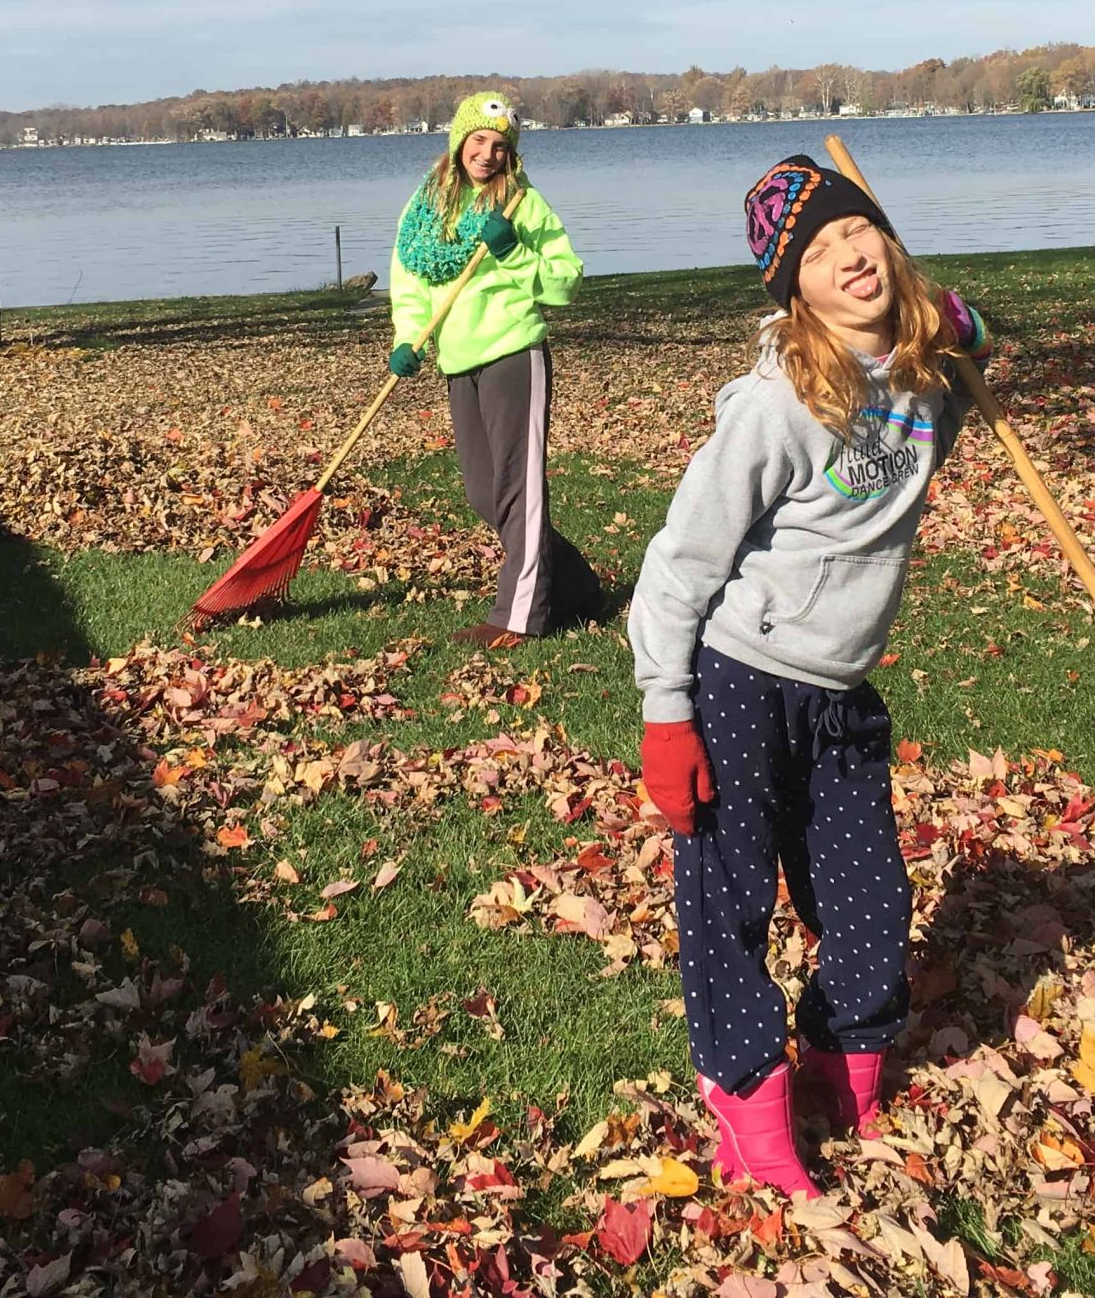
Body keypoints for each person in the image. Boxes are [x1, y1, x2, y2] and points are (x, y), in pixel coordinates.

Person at [627, 154, 994, 1196]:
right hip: (741, 677)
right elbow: (678, 563)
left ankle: (848, 1057)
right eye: (820, 251)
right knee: (730, 895)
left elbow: (964, 370)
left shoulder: (926, 381)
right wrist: (666, 712)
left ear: (887, 239)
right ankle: (744, 1095)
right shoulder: (775, 406)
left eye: (857, 232)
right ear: (794, 288)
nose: (848, 256)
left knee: (868, 889)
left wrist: (967, 330)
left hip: (839, 689)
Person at [388, 91, 604, 647]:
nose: (487, 154)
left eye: (500, 146)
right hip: (458, 360)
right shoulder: (426, 207)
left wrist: (513, 253)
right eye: (479, 141)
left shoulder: (521, 205)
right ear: (459, 141)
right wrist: (408, 339)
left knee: (520, 490)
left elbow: (566, 282)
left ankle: (519, 617)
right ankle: (576, 586)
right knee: (485, 494)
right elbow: (411, 283)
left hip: (514, 352)